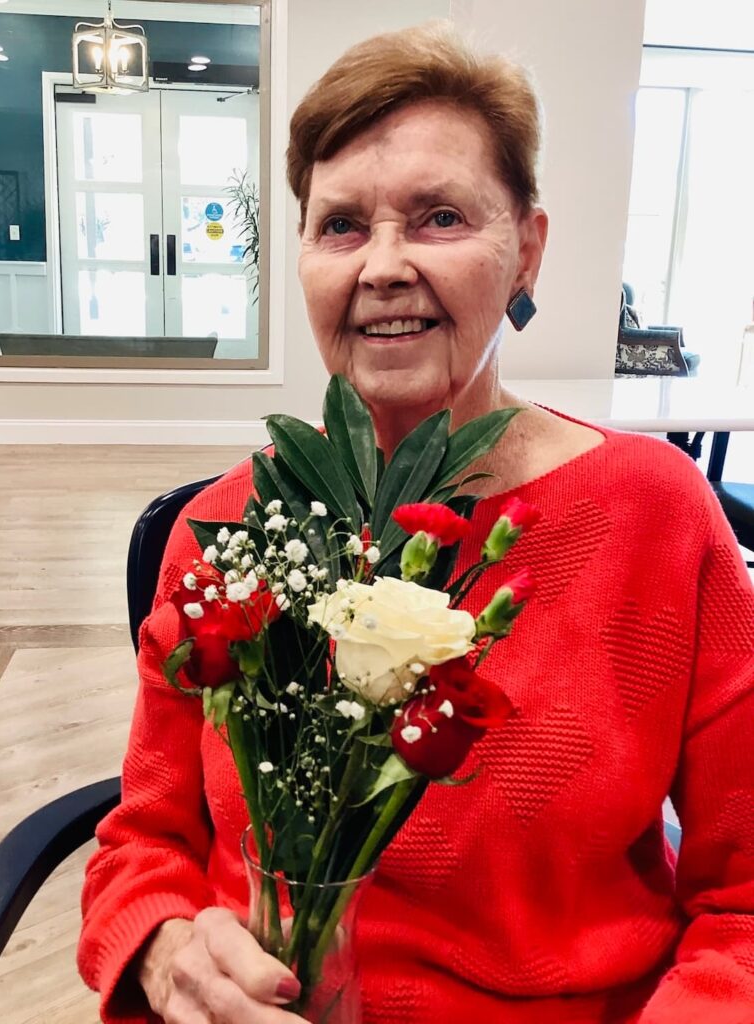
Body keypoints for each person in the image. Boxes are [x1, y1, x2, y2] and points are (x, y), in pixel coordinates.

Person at [78, 22, 754, 1024]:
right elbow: (142, 845)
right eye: (341, 225)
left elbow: (739, 904)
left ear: (526, 250)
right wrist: (168, 947)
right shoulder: (226, 529)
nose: (382, 265)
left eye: (439, 217)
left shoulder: (657, 518)